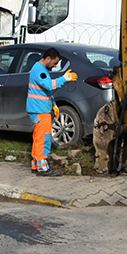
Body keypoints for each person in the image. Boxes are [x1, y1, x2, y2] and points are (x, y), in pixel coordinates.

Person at [26, 48, 77, 177]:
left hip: (39, 109)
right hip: (40, 110)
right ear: (48, 58)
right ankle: (43, 168)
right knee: (44, 139)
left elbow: (45, 91)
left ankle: (36, 164)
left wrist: (53, 104)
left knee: (39, 137)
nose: (55, 66)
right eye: (54, 63)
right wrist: (65, 78)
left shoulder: (40, 69)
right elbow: (49, 85)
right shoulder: (39, 70)